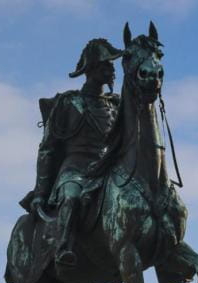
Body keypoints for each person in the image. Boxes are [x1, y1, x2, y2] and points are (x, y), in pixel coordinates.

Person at [21, 38, 121, 269]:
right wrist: (40, 192)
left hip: (108, 170)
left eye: (112, 65)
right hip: (75, 167)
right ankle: (63, 246)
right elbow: (48, 149)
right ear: (91, 69)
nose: (112, 70)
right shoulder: (69, 102)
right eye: (106, 65)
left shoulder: (116, 105)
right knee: (73, 197)